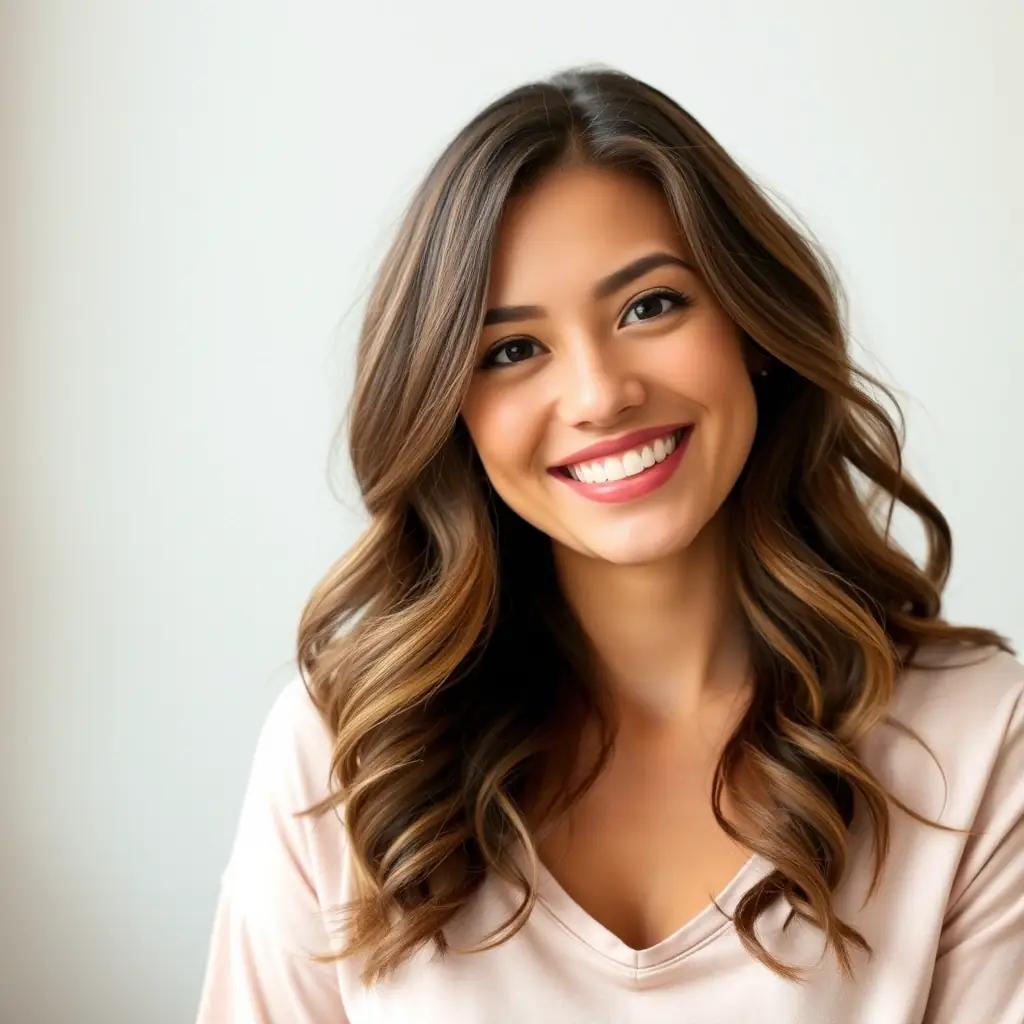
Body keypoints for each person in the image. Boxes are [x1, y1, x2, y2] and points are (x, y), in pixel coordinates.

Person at [195, 66, 1024, 1023]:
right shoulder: (349, 752)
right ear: (450, 412)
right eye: (512, 351)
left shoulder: (976, 740)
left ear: (752, 324)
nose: (599, 395)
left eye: (650, 306)